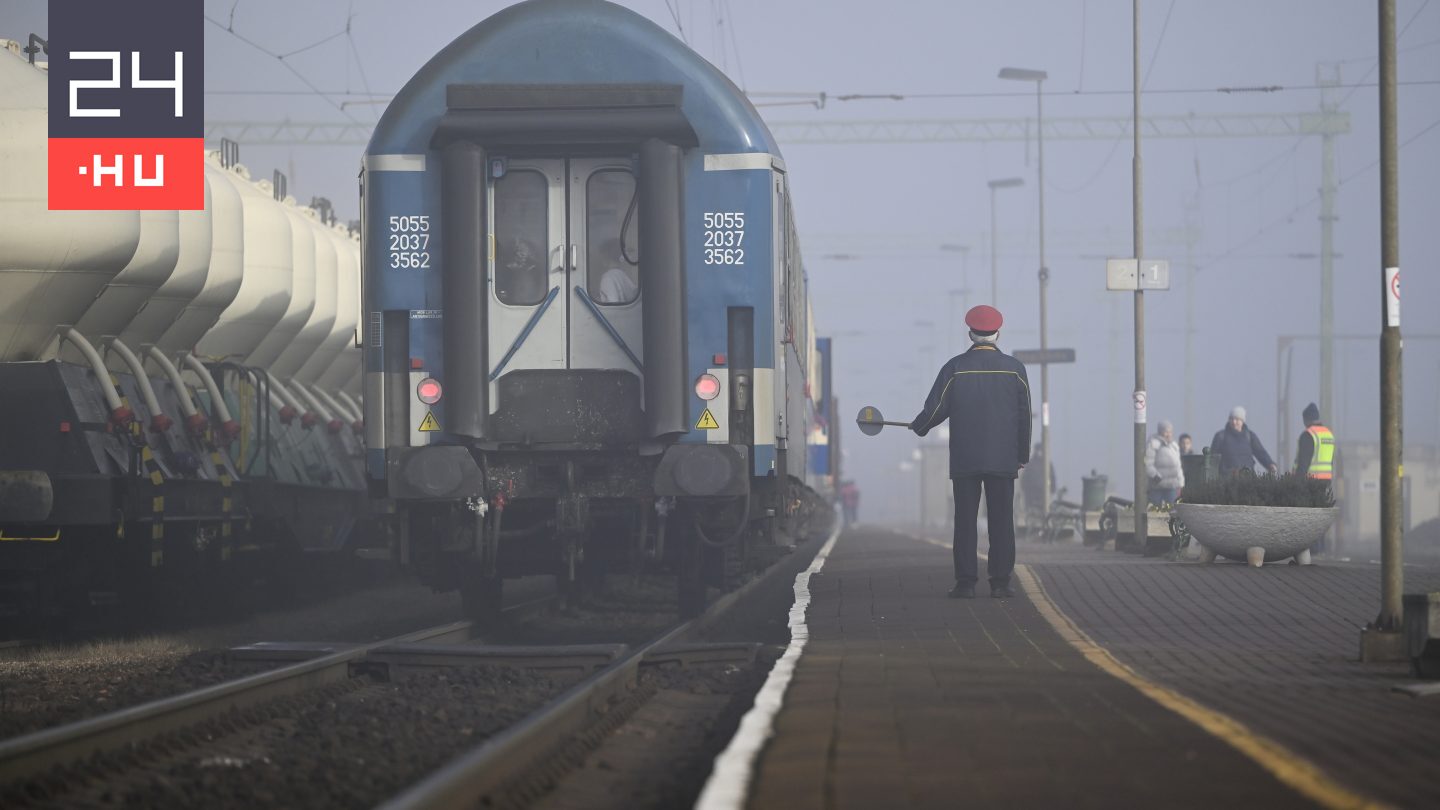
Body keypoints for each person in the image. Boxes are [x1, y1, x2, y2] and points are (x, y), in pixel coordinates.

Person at [910, 305, 1031, 599]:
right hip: (1003, 459)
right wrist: (1022, 456)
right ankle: (1001, 582)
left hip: (966, 458)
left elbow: (936, 408)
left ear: (970, 333)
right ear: (998, 333)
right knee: (1001, 520)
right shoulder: (1016, 370)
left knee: (965, 521)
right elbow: (1024, 416)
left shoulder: (955, 367)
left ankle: (965, 583)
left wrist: (920, 426)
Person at [1209, 406, 1278, 476]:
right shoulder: (1220, 436)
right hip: (1226, 479)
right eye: (1231, 419)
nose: (1234, 422)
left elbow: (1260, 452)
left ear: (1242, 421)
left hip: (1247, 479)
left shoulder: (1250, 436)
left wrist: (1270, 464)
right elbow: (1212, 459)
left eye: (1237, 419)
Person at [1144, 420, 1185, 505]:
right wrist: (1155, 475)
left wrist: (1181, 482)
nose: (1168, 434)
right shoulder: (1153, 444)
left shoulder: (1174, 445)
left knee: (1173, 509)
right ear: (1160, 431)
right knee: (1155, 509)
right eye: (1166, 431)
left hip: (1171, 485)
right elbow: (1148, 463)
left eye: (1170, 431)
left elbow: (1178, 466)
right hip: (1157, 485)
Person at [1294, 402, 1336, 481]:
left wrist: (1295, 484)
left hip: (1310, 482)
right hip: (1326, 480)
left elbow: (1303, 464)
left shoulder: (1308, 435)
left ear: (1306, 419)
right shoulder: (1329, 435)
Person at [497, 237, 546, 304]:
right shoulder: (505, 271)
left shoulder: (535, 272)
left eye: (522, 252)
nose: (518, 253)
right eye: (517, 251)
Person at [592, 238, 639, 304]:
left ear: (606, 255)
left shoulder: (607, 278)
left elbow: (612, 304)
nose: (600, 258)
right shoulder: (621, 274)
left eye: (602, 254)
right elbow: (633, 293)